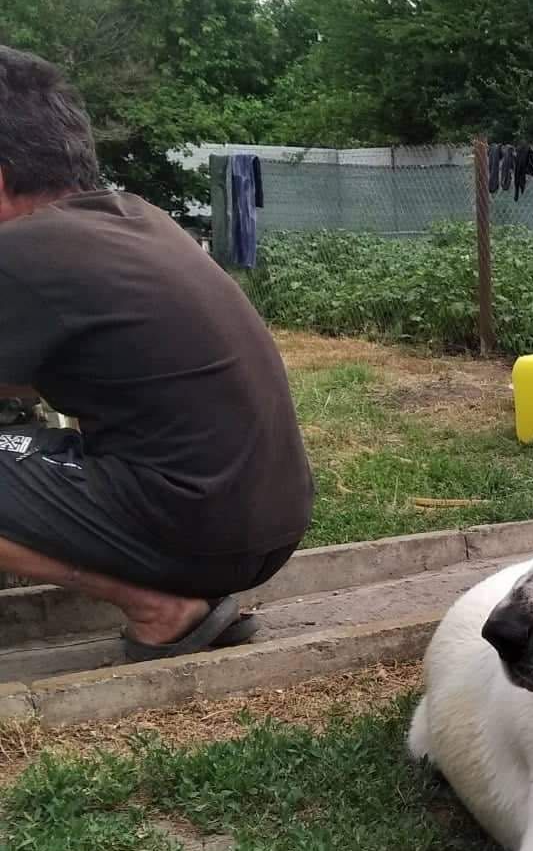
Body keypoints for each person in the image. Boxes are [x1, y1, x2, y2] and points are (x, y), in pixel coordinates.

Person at [0, 46, 313, 656]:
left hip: (198, 527)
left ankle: (159, 607)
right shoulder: (131, 218)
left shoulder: (22, 252)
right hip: (265, 518)